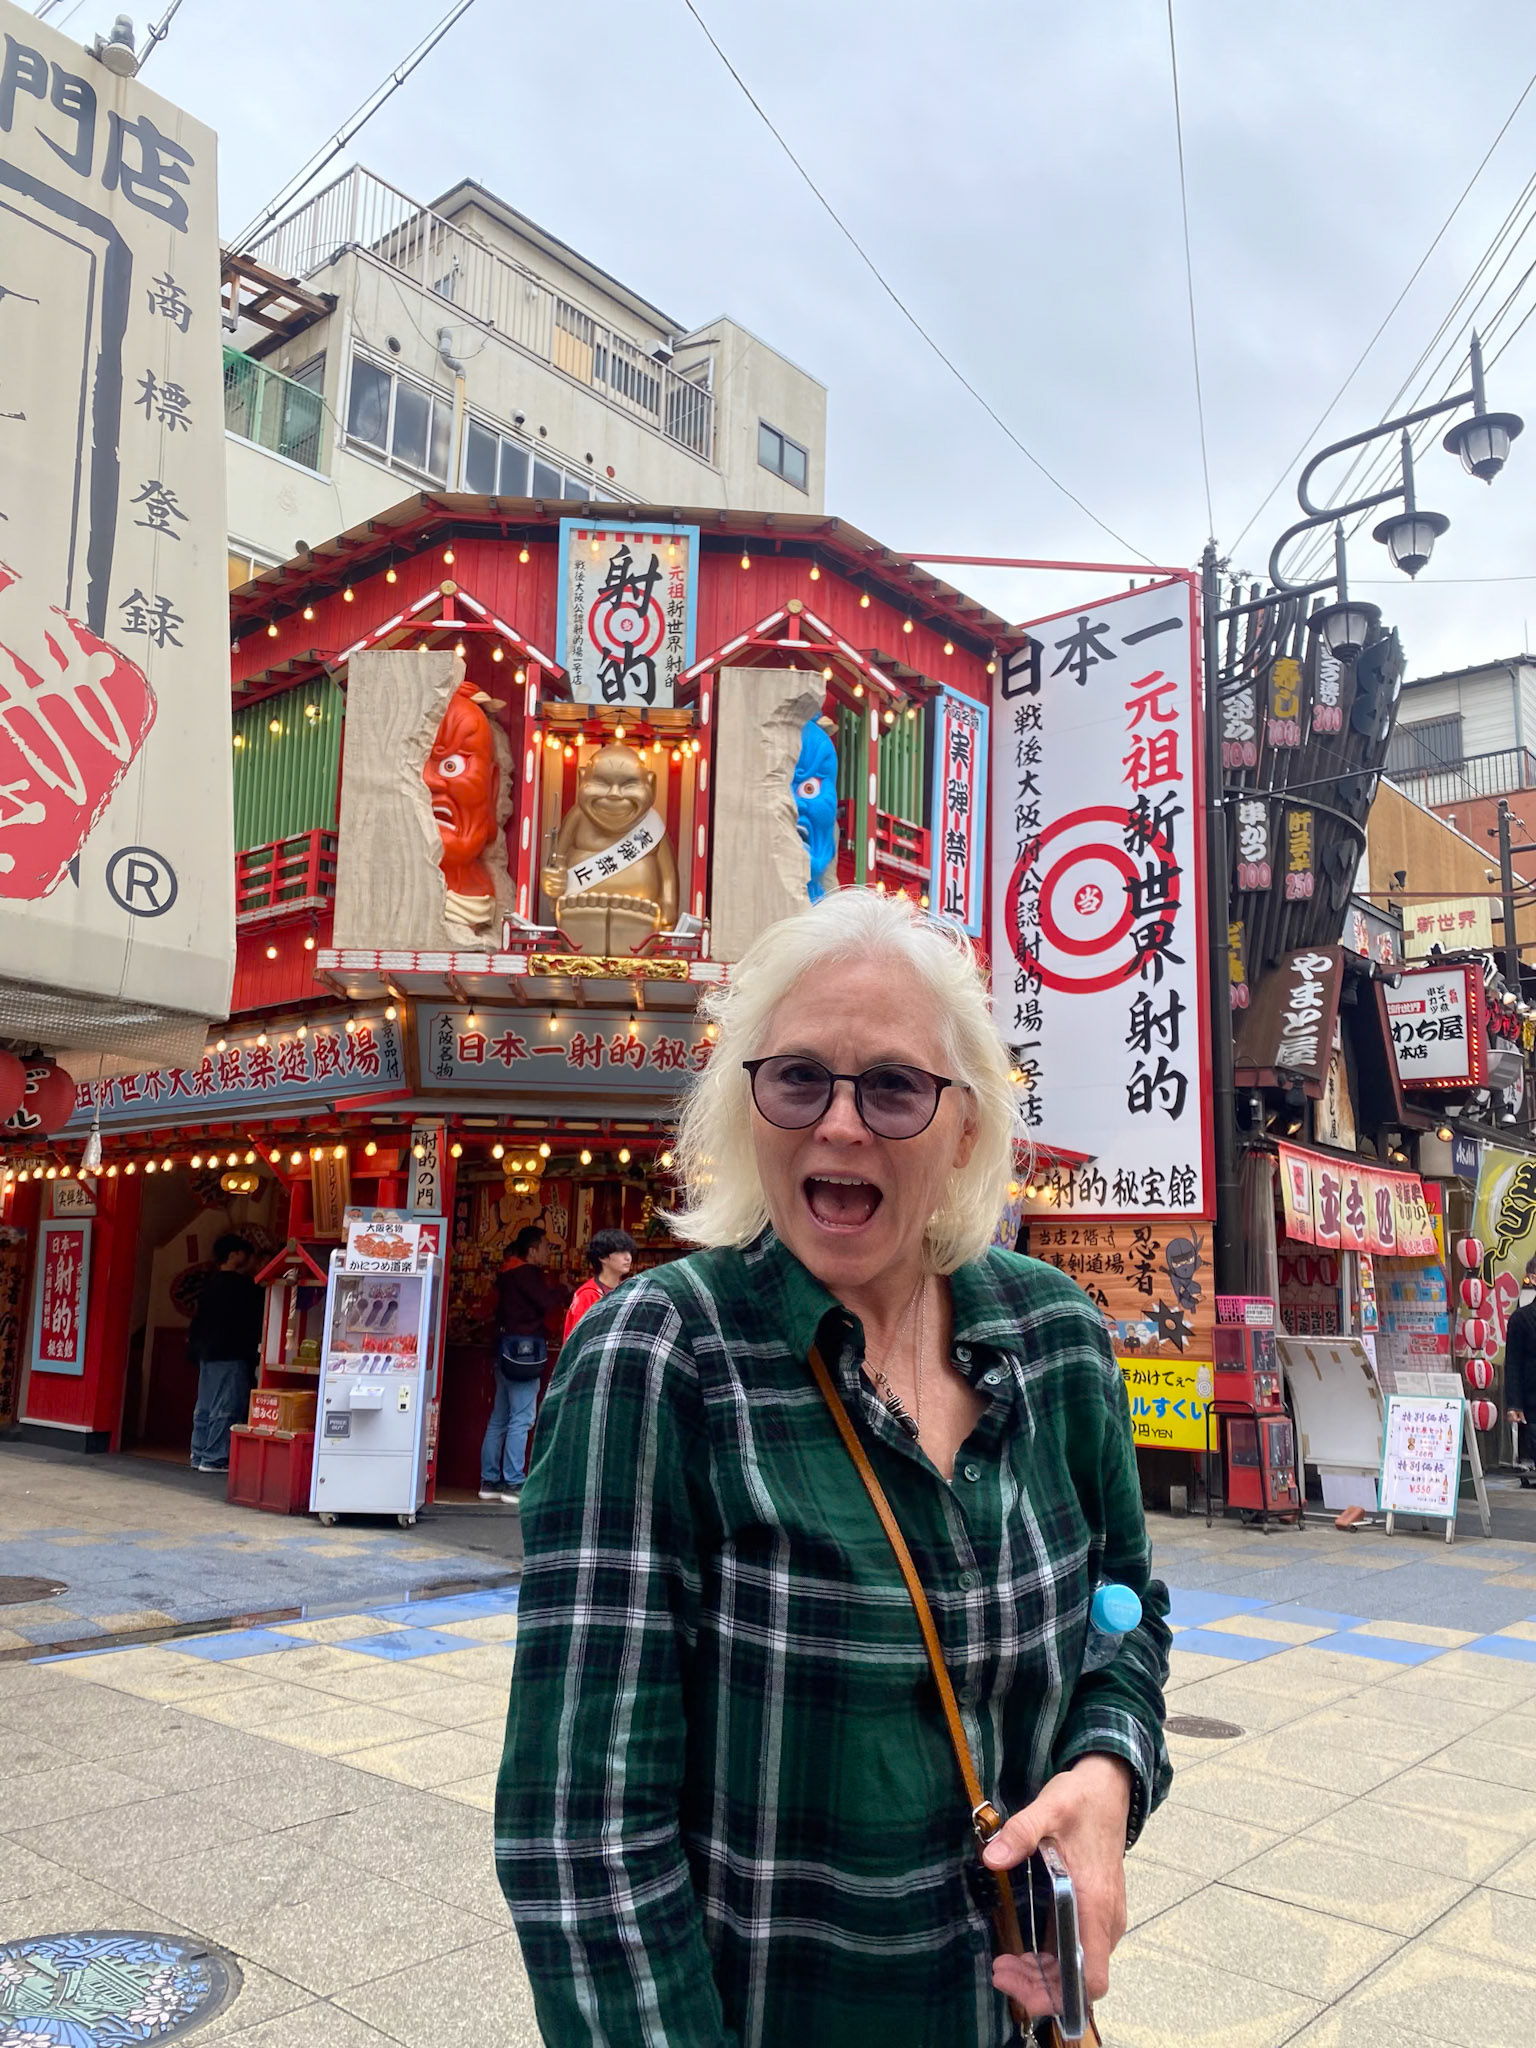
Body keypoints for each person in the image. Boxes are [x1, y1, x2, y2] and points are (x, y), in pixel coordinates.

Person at [497, 892, 1171, 2047]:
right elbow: (583, 1832)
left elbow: (1128, 1615)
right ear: (745, 1103)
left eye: (894, 1085)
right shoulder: (657, 1355)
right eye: (799, 1077)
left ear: (967, 1127)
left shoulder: (1058, 1337)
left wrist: (1111, 1768)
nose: (841, 1124)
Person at [481, 1224, 565, 1503]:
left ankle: (489, 1481)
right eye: (545, 1247)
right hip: (524, 1354)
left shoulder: (505, 1273)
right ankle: (514, 1482)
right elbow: (545, 1302)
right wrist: (563, 1290)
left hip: (502, 1349)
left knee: (499, 1417)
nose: (547, 1252)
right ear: (532, 1250)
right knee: (522, 1418)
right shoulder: (527, 1274)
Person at [187, 1234, 263, 1473]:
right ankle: (215, 1458)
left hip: (206, 1352)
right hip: (231, 1353)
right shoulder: (244, 1287)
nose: (250, 1260)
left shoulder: (208, 1284)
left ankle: (198, 1453)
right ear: (234, 1255)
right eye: (246, 1254)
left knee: (204, 1406)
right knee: (226, 1406)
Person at [561, 1227, 637, 1344]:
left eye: (629, 1252)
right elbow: (578, 1342)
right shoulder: (588, 1295)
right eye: (620, 1252)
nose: (628, 1257)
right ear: (602, 1257)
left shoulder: (629, 1291)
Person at [1503, 1254, 1536, 1479]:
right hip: (1532, 1403)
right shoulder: (1521, 1318)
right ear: (1533, 1278)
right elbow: (1513, 1363)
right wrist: (1514, 1403)